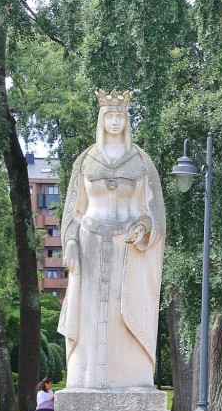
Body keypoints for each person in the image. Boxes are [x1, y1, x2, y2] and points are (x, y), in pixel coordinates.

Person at [57, 89, 166, 390]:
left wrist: (144, 227)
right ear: (101, 120)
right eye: (110, 116)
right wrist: (70, 243)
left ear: (127, 120)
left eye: (120, 116)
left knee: (124, 313)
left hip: (128, 249)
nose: (115, 122)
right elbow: (73, 211)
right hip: (90, 244)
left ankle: (130, 379)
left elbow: (153, 210)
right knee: (90, 319)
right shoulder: (85, 160)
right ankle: (85, 379)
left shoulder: (142, 162)